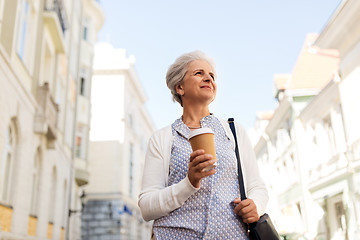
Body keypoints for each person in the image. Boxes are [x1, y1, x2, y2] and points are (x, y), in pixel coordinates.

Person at [138, 51, 269, 239]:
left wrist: (256, 204)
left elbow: (257, 187)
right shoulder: (162, 138)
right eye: (199, 73)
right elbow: (146, 207)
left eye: (212, 75)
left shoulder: (234, 132)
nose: (208, 77)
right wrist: (189, 183)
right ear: (180, 87)